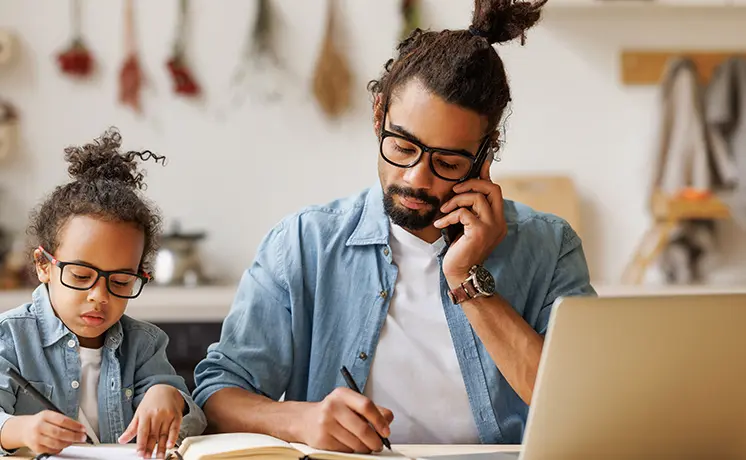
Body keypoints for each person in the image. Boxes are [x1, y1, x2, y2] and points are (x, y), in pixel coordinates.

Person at [193, 0, 595, 453]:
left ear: (486, 153)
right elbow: (216, 394)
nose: (416, 179)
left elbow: (583, 411)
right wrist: (299, 419)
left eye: (447, 161)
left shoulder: (549, 246)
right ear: (378, 114)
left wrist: (468, 280)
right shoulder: (305, 244)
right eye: (402, 147)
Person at [0, 129, 206, 459]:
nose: (100, 296)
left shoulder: (145, 344)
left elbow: (192, 421)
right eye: (81, 275)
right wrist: (21, 430)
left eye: (122, 282)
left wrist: (169, 396)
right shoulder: (9, 337)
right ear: (43, 265)